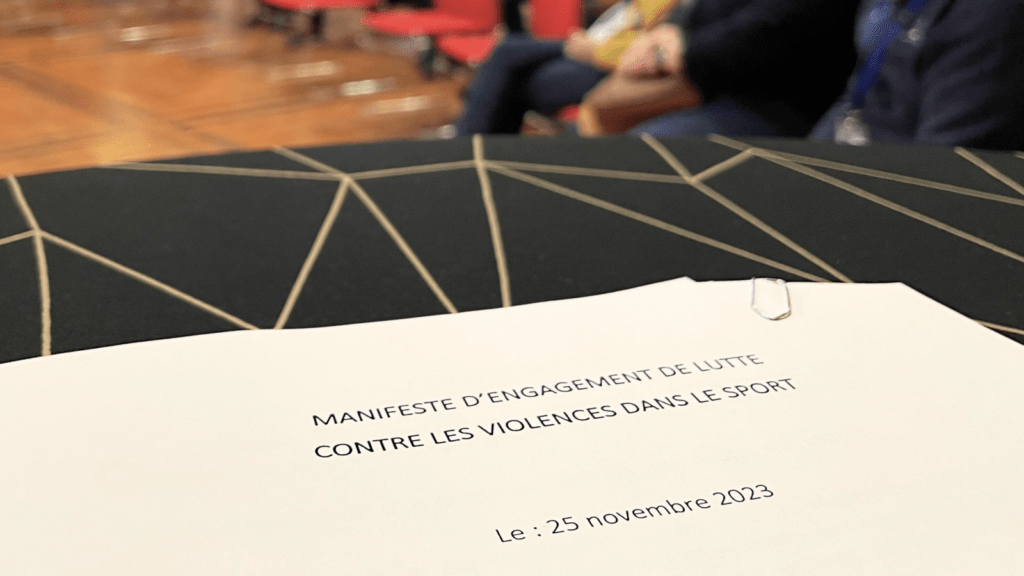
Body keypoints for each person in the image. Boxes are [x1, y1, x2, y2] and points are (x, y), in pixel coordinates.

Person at [617, 0, 860, 137]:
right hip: (708, 73)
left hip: (773, 105)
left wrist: (681, 49)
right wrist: (672, 30)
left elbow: (762, 35)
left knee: (637, 149)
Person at [810, 0, 1024, 150]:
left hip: (902, 166)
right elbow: (860, 87)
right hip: (851, 125)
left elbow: (940, 167)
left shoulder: (986, 14)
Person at [455, 0, 661, 135]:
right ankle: (472, 150)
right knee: (507, 60)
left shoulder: (670, 9)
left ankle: (465, 150)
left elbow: (648, 45)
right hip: (593, 46)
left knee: (508, 65)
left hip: (605, 62)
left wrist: (595, 50)